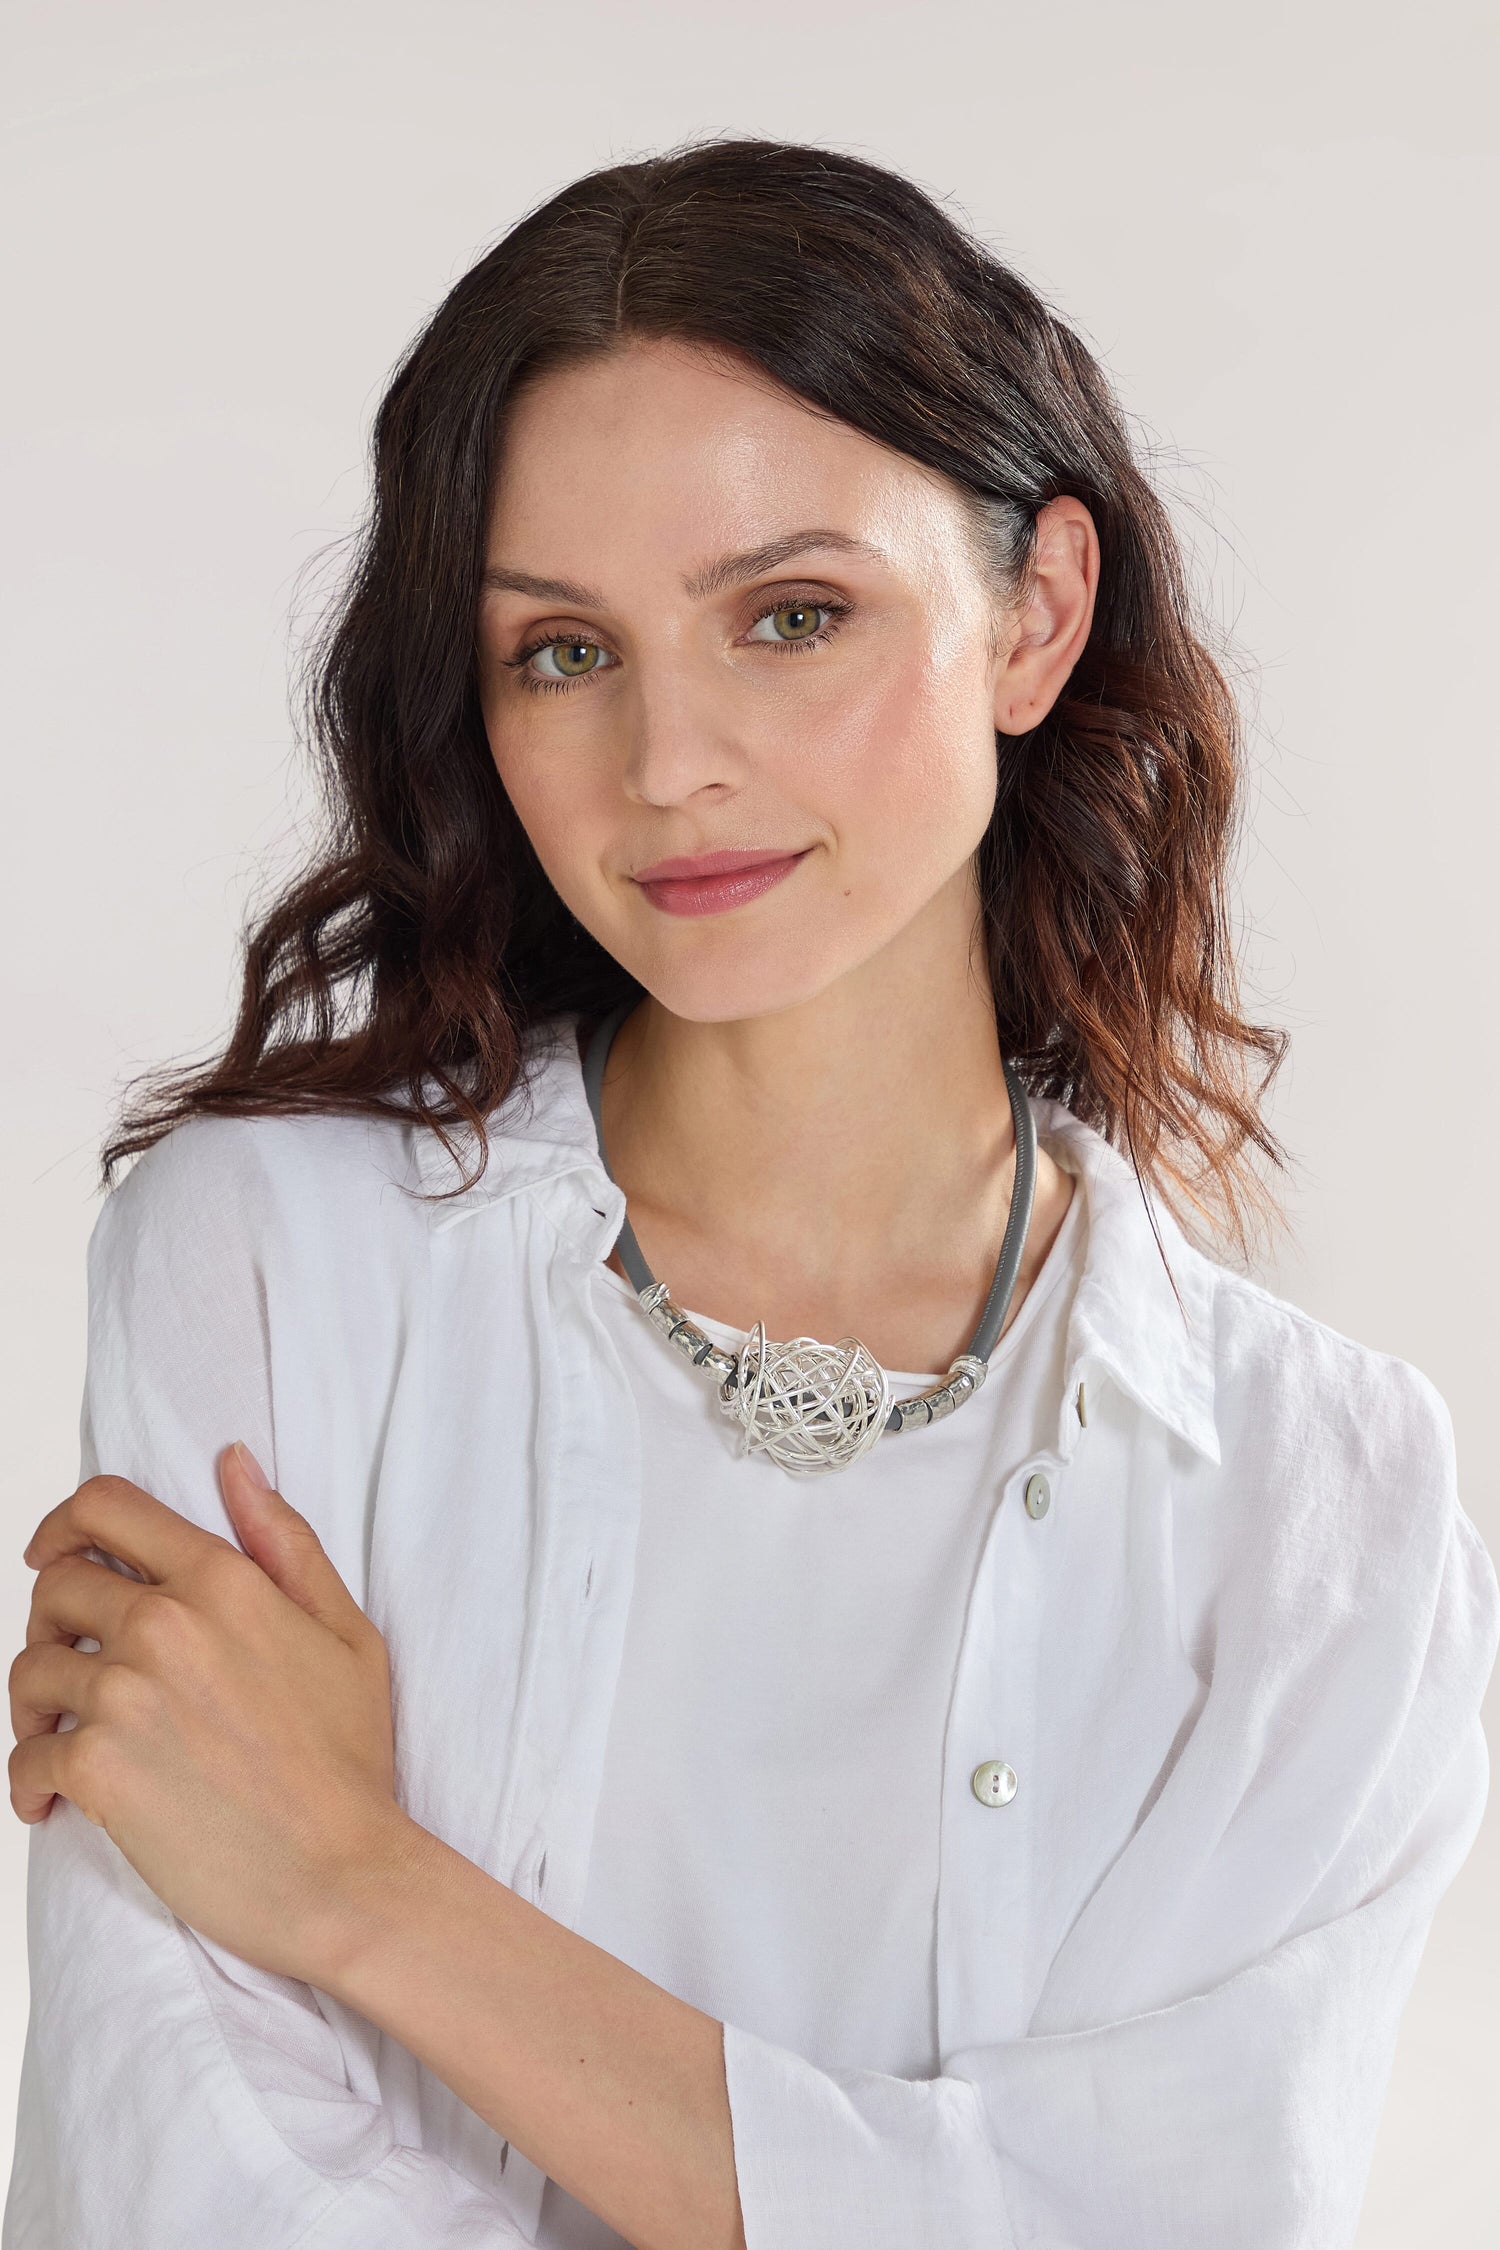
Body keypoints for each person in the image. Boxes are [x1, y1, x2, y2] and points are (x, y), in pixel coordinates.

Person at [5, 136, 1496, 2250]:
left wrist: (364, 1888)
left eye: (790, 617)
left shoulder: (1320, 1516)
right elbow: (178, 2193)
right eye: (562, 653)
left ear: (1034, 615)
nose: (670, 763)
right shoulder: (269, 1278)